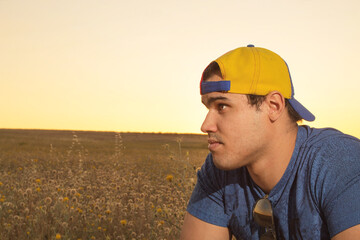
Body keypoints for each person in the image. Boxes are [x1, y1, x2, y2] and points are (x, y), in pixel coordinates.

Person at [180, 45, 360, 239]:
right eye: (208, 108)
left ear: (273, 106)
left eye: (222, 106)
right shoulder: (219, 173)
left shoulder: (339, 163)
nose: (205, 125)